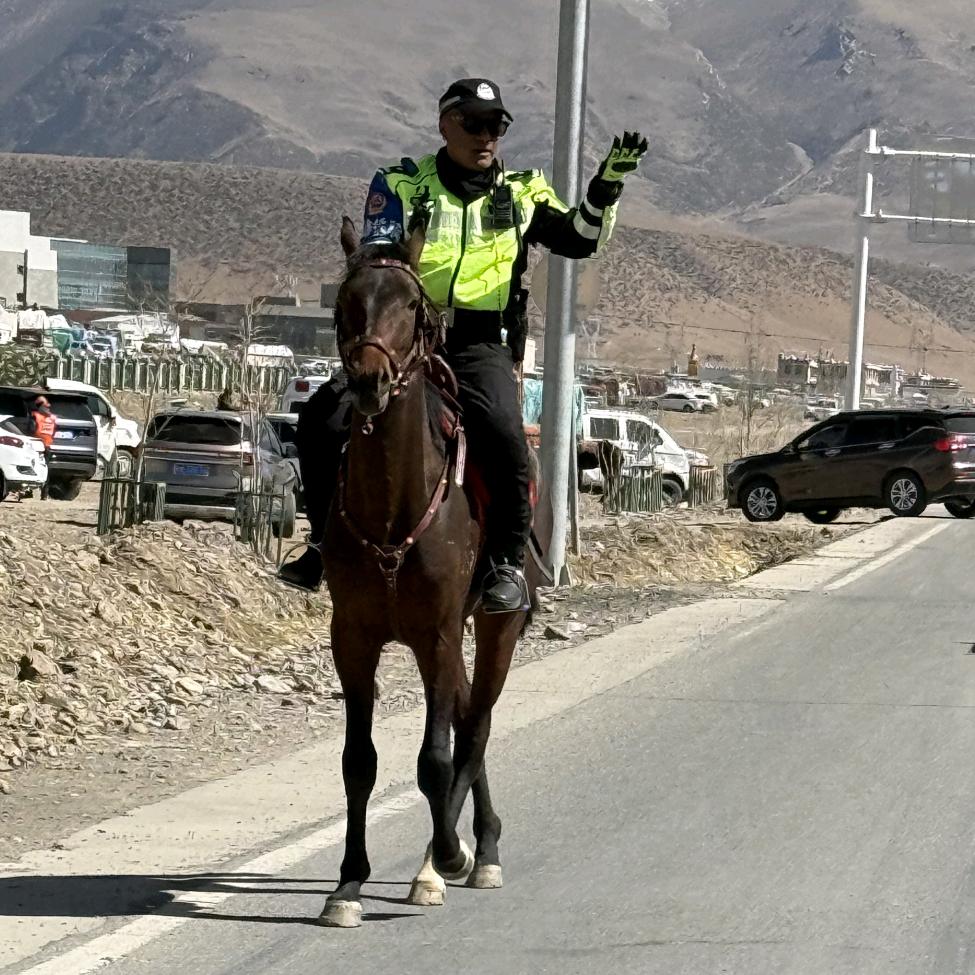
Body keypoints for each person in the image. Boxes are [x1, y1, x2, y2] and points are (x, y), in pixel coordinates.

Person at [280, 77, 647, 610]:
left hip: (479, 341)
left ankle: (505, 564)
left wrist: (605, 187)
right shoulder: (401, 185)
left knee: (504, 435)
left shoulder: (522, 191)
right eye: (473, 124)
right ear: (445, 125)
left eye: (496, 126)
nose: (486, 137)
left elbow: (579, 237)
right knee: (322, 418)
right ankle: (319, 545)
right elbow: (379, 259)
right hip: (407, 336)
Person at [29, 395, 56, 500]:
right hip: (46, 446)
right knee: (45, 469)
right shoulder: (52, 418)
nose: (48, 409)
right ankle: (44, 495)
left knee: (32, 468)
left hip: (36, 446)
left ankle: (31, 492)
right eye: (46, 407)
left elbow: (30, 430)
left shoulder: (35, 416)